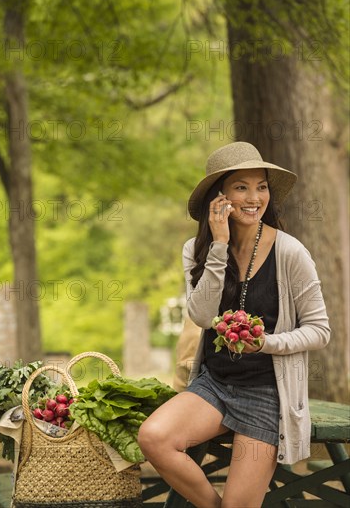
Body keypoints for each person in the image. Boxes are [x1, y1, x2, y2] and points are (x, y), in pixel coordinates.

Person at [138, 142, 330, 508]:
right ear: (219, 196)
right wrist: (219, 245)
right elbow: (201, 316)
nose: (254, 197)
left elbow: (320, 331)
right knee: (153, 437)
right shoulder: (196, 249)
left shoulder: (290, 253)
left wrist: (266, 343)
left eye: (261, 187)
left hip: (267, 392)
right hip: (215, 384)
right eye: (241, 186)